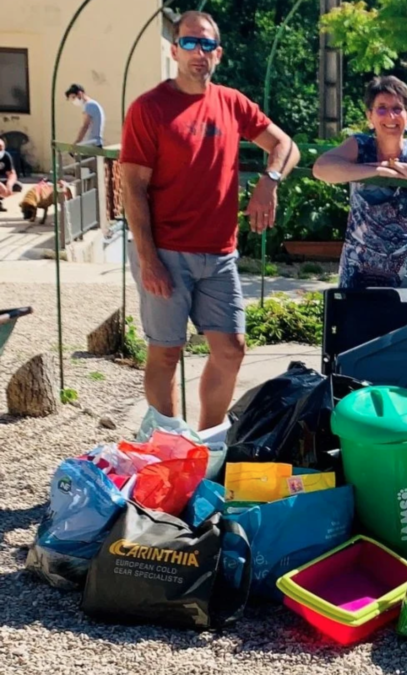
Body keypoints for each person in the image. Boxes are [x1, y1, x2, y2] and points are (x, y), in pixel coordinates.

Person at [120, 10, 300, 430]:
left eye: (206, 45)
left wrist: (269, 181)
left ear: (217, 53)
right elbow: (133, 188)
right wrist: (148, 259)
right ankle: (170, 446)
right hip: (165, 250)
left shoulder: (231, 103)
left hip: (219, 254)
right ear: (174, 50)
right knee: (166, 351)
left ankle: (207, 441)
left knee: (232, 348)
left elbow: (285, 145)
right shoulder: (149, 108)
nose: (197, 52)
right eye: (189, 43)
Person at [312, 75, 407, 288]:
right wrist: (375, 169)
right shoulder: (360, 144)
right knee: (355, 320)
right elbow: (322, 169)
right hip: (360, 258)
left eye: (397, 108)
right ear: (370, 116)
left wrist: (399, 168)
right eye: (382, 108)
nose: (390, 116)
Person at [65, 84, 106, 148]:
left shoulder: (89, 105)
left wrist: (77, 142)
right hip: (95, 143)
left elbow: (85, 126)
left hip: (92, 145)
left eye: (73, 97)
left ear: (80, 94)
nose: (73, 101)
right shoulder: (93, 104)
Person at [0, 139, 19, 211]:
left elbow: (12, 173)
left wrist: (9, 184)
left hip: (2, 179)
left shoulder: (6, 156)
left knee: (17, 187)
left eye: (1, 148)